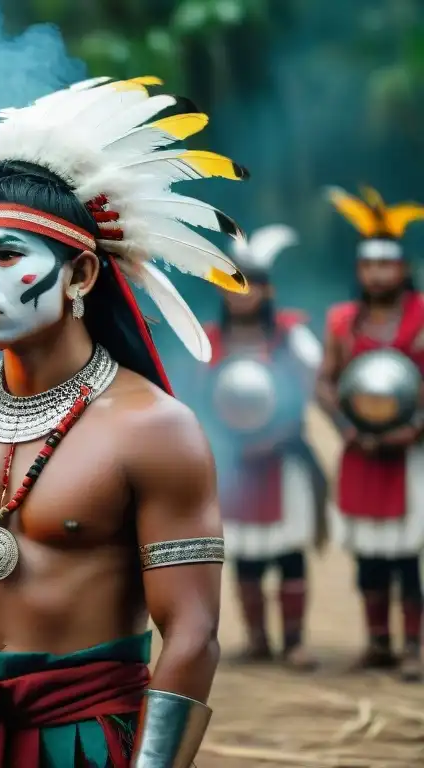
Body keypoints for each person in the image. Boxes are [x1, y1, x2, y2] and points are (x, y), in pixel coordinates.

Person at [0, 75, 247, 768]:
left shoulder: (155, 432)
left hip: (82, 746)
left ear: (78, 275)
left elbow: (192, 633)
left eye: (7, 255)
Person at [201, 225, 326, 670]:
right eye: (233, 284)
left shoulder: (291, 337)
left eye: (251, 285)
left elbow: (312, 386)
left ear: (268, 290)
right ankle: (257, 639)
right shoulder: (209, 340)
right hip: (236, 464)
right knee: (246, 552)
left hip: (282, 457)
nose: (242, 295)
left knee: (289, 550)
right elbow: (198, 397)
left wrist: (277, 434)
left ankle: (294, 641)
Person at [317, 186, 424, 681]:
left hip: (413, 454)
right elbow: (325, 382)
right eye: (368, 267)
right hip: (360, 450)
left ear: (402, 267)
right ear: (360, 270)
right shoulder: (343, 321)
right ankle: (379, 643)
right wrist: (343, 426)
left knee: (411, 554)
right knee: (369, 553)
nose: (377, 275)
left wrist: (415, 429)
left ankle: (416, 646)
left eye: (386, 266)